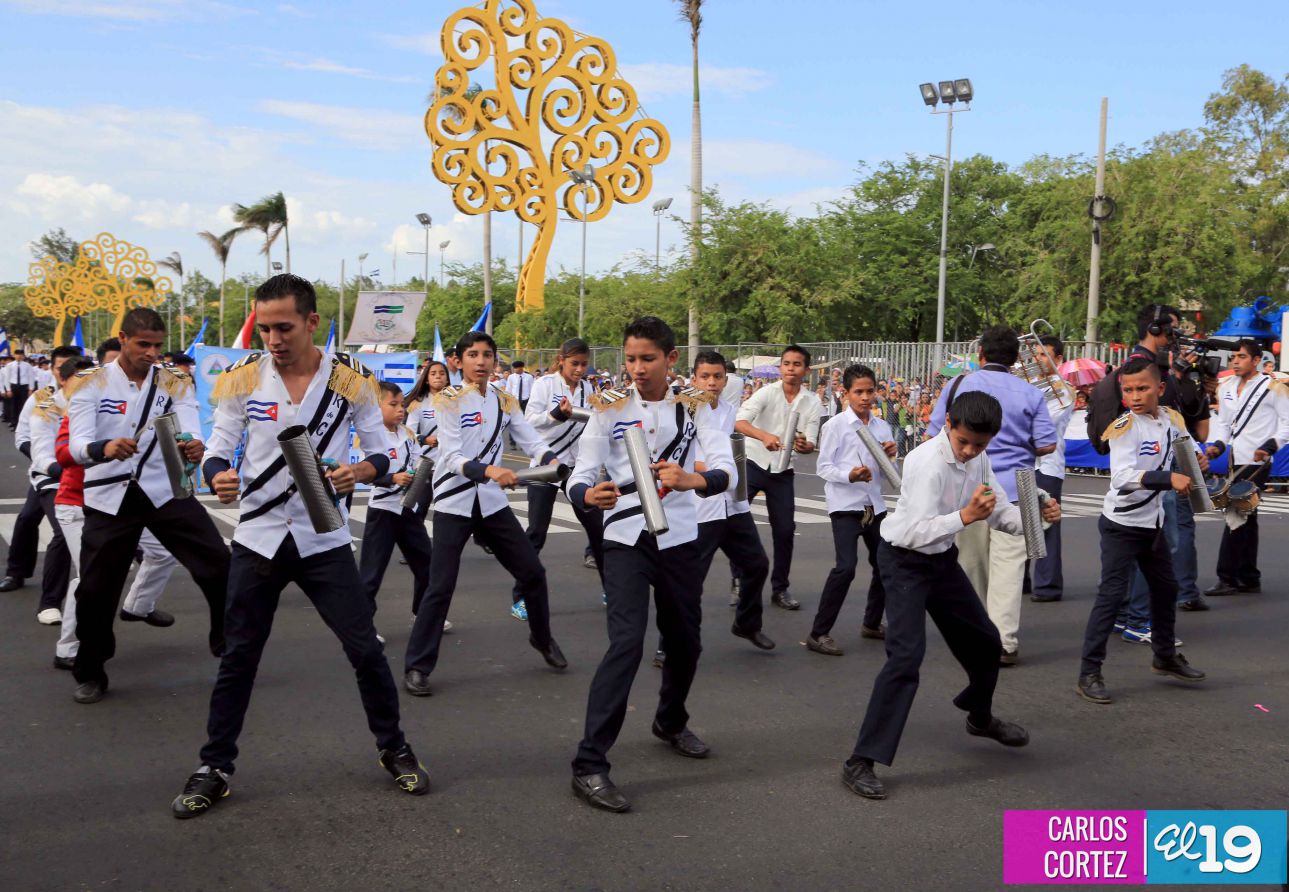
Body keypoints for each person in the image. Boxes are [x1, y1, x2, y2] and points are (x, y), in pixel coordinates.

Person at [171, 274, 429, 819]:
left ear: (312, 322)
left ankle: (393, 747)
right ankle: (215, 766)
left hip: (323, 536)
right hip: (259, 535)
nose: (273, 339)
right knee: (239, 655)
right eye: (264, 328)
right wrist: (217, 474)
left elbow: (384, 456)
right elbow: (219, 450)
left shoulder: (351, 380)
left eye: (283, 327)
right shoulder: (242, 379)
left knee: (365, 650)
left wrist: (360, 469)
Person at [841, 392, 1058, 801]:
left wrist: (1036, 518)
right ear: (948, 426)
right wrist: (965, 517)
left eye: (980, 444)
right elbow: (910, 532)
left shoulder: (979, 458)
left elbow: (997, 511)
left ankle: (979, 718)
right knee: (905, 659)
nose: (970, 451)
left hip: (940, 559)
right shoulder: (926, 463)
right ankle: (860, 761)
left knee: (987, 642)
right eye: (963, 442)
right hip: (903, 561)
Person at [566, 317, 735, 813]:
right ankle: (589, 763)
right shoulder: (608, 409)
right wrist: (585, 493)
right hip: (623, 536)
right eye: (631, 359)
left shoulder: (695, 408)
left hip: (681, 537)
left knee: (686, 641)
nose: (637, 369)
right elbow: (581, 473)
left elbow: (725, 466)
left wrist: (693, 481)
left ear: (670, 359)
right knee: (626, 643)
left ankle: (670, 720)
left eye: (648, 359)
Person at [66, 309, 229, 705]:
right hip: (111, 493)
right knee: (95, 591)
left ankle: (226, 639)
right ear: (122, 339)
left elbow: (190, 424)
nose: (151, 352)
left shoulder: (174, 381)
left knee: (220, 564)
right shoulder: (91, 383)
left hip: (164, 488)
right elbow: (76, 444)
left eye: (157, 345)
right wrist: (102, 449)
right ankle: (91, 668)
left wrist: (192, 443)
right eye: (143, 344)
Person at [402, 331, 568, 697]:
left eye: (487, 355)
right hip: (454, 503)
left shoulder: (505, 400)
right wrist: (491, 471)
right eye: (473, 355)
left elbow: (531, 440)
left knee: (533, 573)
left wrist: (550, 460)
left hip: (492, 505)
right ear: (458, 361)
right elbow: (451, 456)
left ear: (495, 360)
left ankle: (542, 639)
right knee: (439, 586)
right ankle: (417, 665)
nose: (481, 361)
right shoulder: (446, 400)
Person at [1077, 358, 1208, 705]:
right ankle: (1089, 672)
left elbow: (1185, 444)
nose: (1135, 396)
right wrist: (1168, 478)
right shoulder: (1124, 427)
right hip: (1121, 525)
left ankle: (1164, 656)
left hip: (1153, 524)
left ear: (1160, 388)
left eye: (1142, 388)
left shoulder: (1171, 418)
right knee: (1110, 596)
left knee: (1166, 589)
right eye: (1128, 390)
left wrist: (1201, 456)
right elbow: (1121, 478)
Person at [927, 326, 1057, 666]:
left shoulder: (957, 386)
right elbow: (1047, 444)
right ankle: (1004, 642)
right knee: (1009, 571)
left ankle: (974, 633)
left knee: (970, 566)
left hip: (967, 489)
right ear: (1016, 360)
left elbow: (933, 434)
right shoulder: (1030, 393)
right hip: (1019, 489)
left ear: (980, 354)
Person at [512, 338, 605, 619]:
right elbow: (528, 421)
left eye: (584, 364)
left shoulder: (590, 388)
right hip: (546, 465)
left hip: (578, 469)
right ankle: (521, 597)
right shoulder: (545, 384)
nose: (579, 369)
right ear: (561, 360)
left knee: (598, 531)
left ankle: (612, 588)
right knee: (537, 533)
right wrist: (555, 415)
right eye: (574, 363)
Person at [807, 365, 894, 656]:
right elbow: (824, 467)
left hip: (874, 504)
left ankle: (871, 623)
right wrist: (850, 475)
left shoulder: (882, 427)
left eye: (870, 391)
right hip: (845, 505)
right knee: (846, 567)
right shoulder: (835, 426)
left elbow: (887, 472)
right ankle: (819, 633)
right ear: (846, 393)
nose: (866, 397)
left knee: (885, 563)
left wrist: (889, 457)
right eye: (859, 391)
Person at [733, 345, 822, 610]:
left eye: (797, 364)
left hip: (783, 470)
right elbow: (739, 422)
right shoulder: (766, 393)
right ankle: (738, 580)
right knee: (737, 521)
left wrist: (806, 446)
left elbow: (810, 439)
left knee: (784, 531)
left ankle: (780, 588)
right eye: (786, 363)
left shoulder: (813, 401)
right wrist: (764, 436)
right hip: (754, 461)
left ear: (806, 370)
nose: (791, 368)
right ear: (780, 367)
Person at [1204, 340, 1289, 596]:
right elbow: (1224, 423)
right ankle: (1249, 576)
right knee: (1247, 518)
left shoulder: (1272, 387)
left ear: (1256, 360)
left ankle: (1227, 577)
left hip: (1258, 461)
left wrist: (1270, 446)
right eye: (1233, 357)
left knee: (1236, 513)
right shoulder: (1226, 387)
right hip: (1234, 459)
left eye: (1241, 356)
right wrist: (1217, 444)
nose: (1235, 361)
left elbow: (1287, 423)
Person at [359, 381, 434, 636]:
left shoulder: (407, 435)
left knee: (427, 563)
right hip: (382, 511)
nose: (400, 409)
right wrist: (392, 478)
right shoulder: (371, 436)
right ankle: (364, 627)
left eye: (401, 404)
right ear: (376, 407)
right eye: (393, 404)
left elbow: (414, 465)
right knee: (371, 573)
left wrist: (416, 475)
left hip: (407, 509)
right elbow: (365, 475)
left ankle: (422, 614)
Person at [20, 345, 82, 623]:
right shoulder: (44, 406)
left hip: (93, 481)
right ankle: (49, 603)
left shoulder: (99, 404)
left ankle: (138, 601)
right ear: (62, 377)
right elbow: (41, 452)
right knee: (61, 533)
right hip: (52, 479)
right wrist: (63, 469)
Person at [50, 356, 97, 670]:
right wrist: (102, 449)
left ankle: (139, 604)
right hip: (74, 504)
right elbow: (61, 454)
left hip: (111, 505)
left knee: (159, 554)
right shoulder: (69, 413)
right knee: (87, 578)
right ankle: (67, 649)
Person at [1028, 335, 1075, 603]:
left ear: (1058, 359)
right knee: (1020, 519)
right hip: (1025, 460)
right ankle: (1022, 578)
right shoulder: (1030, 385)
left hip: (1048, 463)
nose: (1037, 360)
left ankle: (1048, 585)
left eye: (1044, 354)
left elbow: (1042, 421)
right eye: (1035, 354)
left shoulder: (1064, 390)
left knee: (1048, 522)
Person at [7, 349, 34, 430]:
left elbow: (31, 377)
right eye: (17, 354)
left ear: (23, 356)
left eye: (20, 354)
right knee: (13, 405)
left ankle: (22, 424)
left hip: (23, 387)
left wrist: (30, 389)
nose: (19, 356)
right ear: (14, 355)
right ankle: (14, 424)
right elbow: (7, 378)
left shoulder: (27, 365)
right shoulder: (10, 365)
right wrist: (8, 390)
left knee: (23, 405)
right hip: (14, 386)